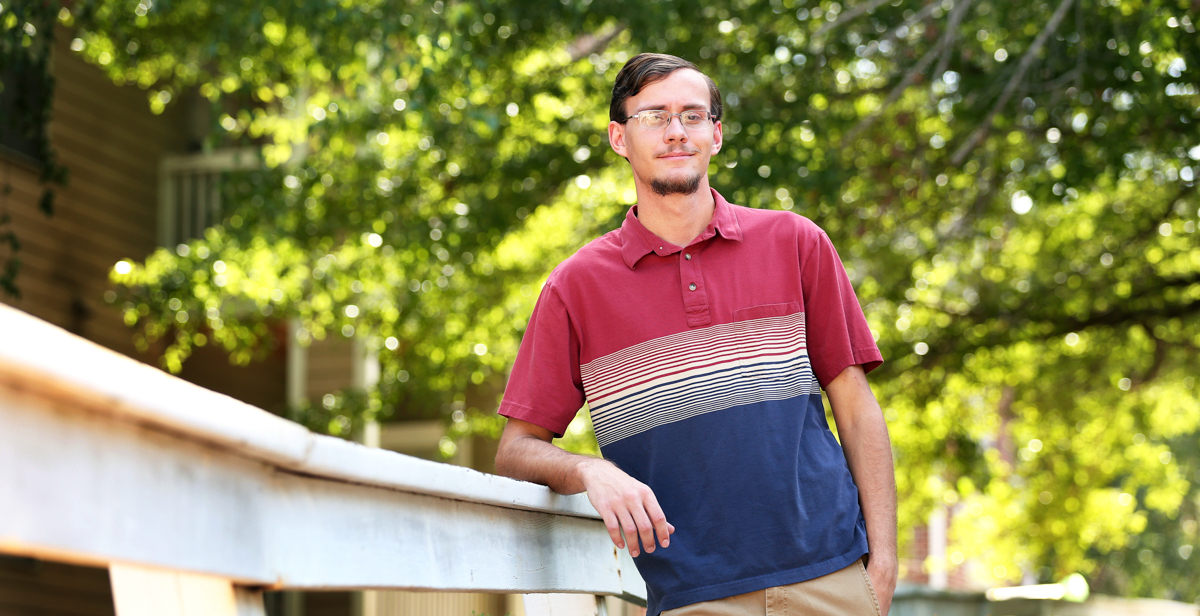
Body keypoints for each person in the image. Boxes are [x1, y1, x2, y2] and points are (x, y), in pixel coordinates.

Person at [494, 53, 897, 616]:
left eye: (692, 115)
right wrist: (591, 470)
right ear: (619, 138)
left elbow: (856, 409)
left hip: (832, 581)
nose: (676, 132)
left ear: (717, 133)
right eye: (654, 117)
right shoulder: (575, 287)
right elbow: (516, 449)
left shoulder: (796, 243)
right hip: (688, 598)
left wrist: (883, 566)